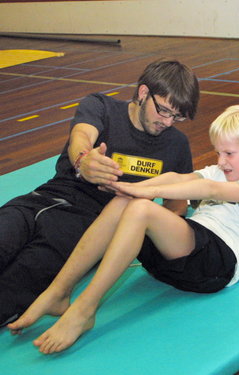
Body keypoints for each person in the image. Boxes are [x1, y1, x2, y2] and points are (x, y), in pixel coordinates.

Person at [8, 105, 239, 354]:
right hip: (180, 257)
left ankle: (84, 310)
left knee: (142, 208)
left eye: (229, 153)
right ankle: (59, 291)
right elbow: (176, 178)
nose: (221, 161)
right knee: (126, 200)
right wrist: (132, 189)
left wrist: (145, 192)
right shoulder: (220, 170)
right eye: (218, 152)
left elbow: (209, 189)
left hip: (215, 264)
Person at [0, 59, 200, 327]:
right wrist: (85, 161)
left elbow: (176, 207)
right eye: (163, 110)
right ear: (143, 93)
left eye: (177, 117)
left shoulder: (177, 145)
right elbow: (81, 136)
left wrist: (136, 233)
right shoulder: (101, 107)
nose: (167, 122)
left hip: (83, 230)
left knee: (14, 287)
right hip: (37, 202)